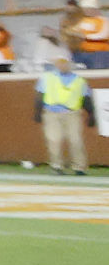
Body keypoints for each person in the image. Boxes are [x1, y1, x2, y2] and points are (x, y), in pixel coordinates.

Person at [41, 49, 94, 177]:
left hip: (72, 113)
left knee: (76, 140)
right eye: (60, 62)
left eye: (64, 62)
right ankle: (56, 166)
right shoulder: (48, 78)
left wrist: (91, 114)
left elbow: (86, 98)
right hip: (52, 113)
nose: (62, 65)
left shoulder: (79, 80)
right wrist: (37, 112)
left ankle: (79, 167)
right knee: (54, 140)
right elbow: (40, 95)